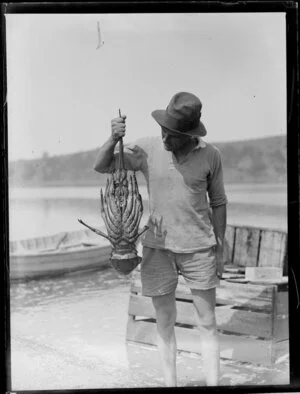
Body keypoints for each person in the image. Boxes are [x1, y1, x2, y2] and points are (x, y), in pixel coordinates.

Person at [93, 92, 228, 387]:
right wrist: (111, 137)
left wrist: (220, 247)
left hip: (200, 249)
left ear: (189, 134)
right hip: (157, 249)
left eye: (172, 134)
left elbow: (218, 202)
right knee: (165, 322)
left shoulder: (211, 155)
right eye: (163, 129)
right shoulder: (148, 148)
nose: (165, 136)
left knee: (207, 323)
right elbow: (103, 165)